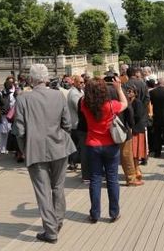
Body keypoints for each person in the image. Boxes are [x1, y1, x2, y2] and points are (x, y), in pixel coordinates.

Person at [12, 64, 76, 244]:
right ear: (47, 78)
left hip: (35, 148)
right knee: (58, 187)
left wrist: (24, 149)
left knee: (43, 191)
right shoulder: (58, 95)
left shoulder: (23, 99)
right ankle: (58, 221)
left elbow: (19, 130)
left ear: (31, 80)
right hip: (59, 146)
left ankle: (50, 230)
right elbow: (67, 123)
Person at [78, 77, 128, 224]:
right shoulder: (111, 105)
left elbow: (84, 98)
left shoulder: (83, 104)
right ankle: (114, 212)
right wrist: (118, 89)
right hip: (111, 145)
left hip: (92, 145)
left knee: (95, 179)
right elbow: (125, 103)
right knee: (112, 179)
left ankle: (95, 214)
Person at [126, 85, 148, 182]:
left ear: (135, 93)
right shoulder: (129, 102)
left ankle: (137, 169)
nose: (129, 93)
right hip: (132, 129)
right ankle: (136, 168)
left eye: (131, 91)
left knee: (135, 151)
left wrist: (130, 123)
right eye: (128, 91)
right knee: (133, 152)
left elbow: (138, 115)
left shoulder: (137, 102)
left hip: (137, 129)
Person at [67, 75, 85, 173]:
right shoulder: (74, 93)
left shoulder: (80, 91)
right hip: (75, 123)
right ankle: (72, 162)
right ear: (75, 82)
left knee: (76, 144)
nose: (82, 84)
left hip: (78, 122)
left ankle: (73, 161)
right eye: (80, 82)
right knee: (76, 144)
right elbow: (79, 108)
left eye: (83, 82)